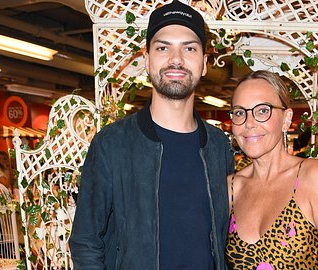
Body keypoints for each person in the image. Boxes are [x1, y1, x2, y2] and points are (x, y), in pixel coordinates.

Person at [69, 1, 235, 269]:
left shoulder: (218, 146)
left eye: (189, 48)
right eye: (162, 47)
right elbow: (86, 241)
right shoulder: (112, 144)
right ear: (146, 60)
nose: (176, 59)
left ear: (204, 63)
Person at [224, 70, 318, 269]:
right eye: (240, 112)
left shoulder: (313, 177)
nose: (249, 123)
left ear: (286, 119)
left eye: (262, 110)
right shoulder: (231, 188)